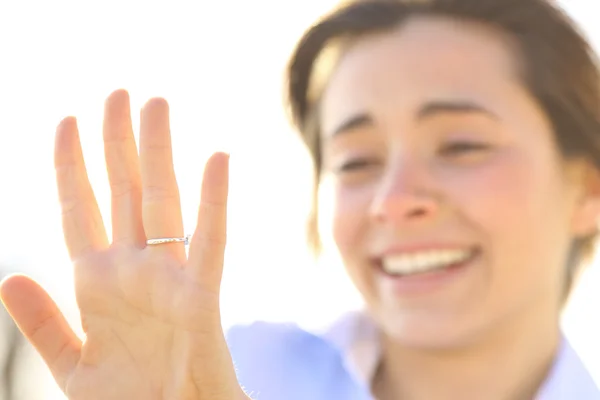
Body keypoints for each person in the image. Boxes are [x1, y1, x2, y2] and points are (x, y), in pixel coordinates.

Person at [1, 0, 600, 398]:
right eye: (356, 161)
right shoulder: (235, 376)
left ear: (588, 187)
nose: (392, 201)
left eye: (462, 145)